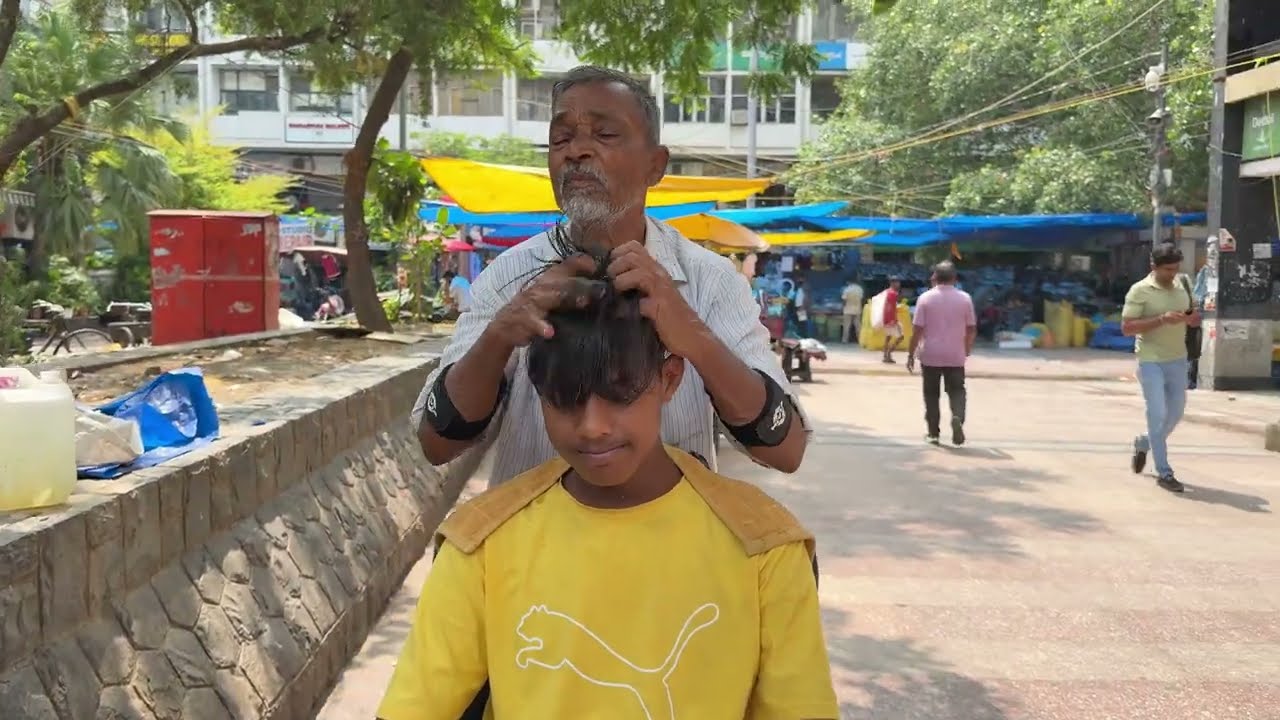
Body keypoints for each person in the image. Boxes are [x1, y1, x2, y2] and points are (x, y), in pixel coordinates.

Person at [378, 280, 839, 720]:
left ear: (670, 379)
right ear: (538, 392)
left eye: (619, 394)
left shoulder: (764, 546)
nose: (593, 426)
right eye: (565, 399)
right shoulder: (480, 542)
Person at [413, 65, 808, 490]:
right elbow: (436, 444)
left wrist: (694, 336)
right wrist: (499, 336)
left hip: (674, 532)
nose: (577, 151)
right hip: (534, 533)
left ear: (655, 165)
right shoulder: (508, 277)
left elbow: (785, 450)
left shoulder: (711, 281)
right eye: (561, 139)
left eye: (604, 134)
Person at [1121, 242, 1201, 493]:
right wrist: (1161, 319)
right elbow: (1127, 328)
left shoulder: (1183, 284)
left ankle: (1144, 442)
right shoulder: (1139, 290)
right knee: (1157, 413)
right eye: (1167, 269)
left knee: (1174, 415)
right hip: (1150, 359)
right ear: (1153, 266)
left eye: (1175, 269)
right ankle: (1164, 472)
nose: (1171, 274)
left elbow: (1194, 315)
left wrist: (1191, 318)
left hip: (1178, 358)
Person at [906, 262, 976, 445]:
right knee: (957, 390)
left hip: (930, 354)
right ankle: (957, 417)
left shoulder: (925, 298)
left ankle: (933, 433)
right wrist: (967, 348)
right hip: (955, 354)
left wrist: (910, 354)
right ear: (954, 278)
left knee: (931, 395)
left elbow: (917, 330)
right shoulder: (965, 299)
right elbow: (971, 329)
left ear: (935, 277)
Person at [881, 276, 903, 363]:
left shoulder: (887, 292)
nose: (898, 284)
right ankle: (889, 354)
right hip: (891, 319)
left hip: (886, 319)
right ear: (892, 283)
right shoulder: (893, 293)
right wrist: (892, 320)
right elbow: (890, 308)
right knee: (901, 337)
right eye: (897, 282)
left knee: (888, 337)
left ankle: (885, 355)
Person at [841, 276, 864, 344]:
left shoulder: (847, 289)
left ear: (849, 282)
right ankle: (860, 340)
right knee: (858, 326)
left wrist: (843, 306)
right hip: (857, 309)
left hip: (847, 309)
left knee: (846, 326)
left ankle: (845, 340)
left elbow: (844, 300)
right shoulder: (859, 289)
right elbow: (861, 299)